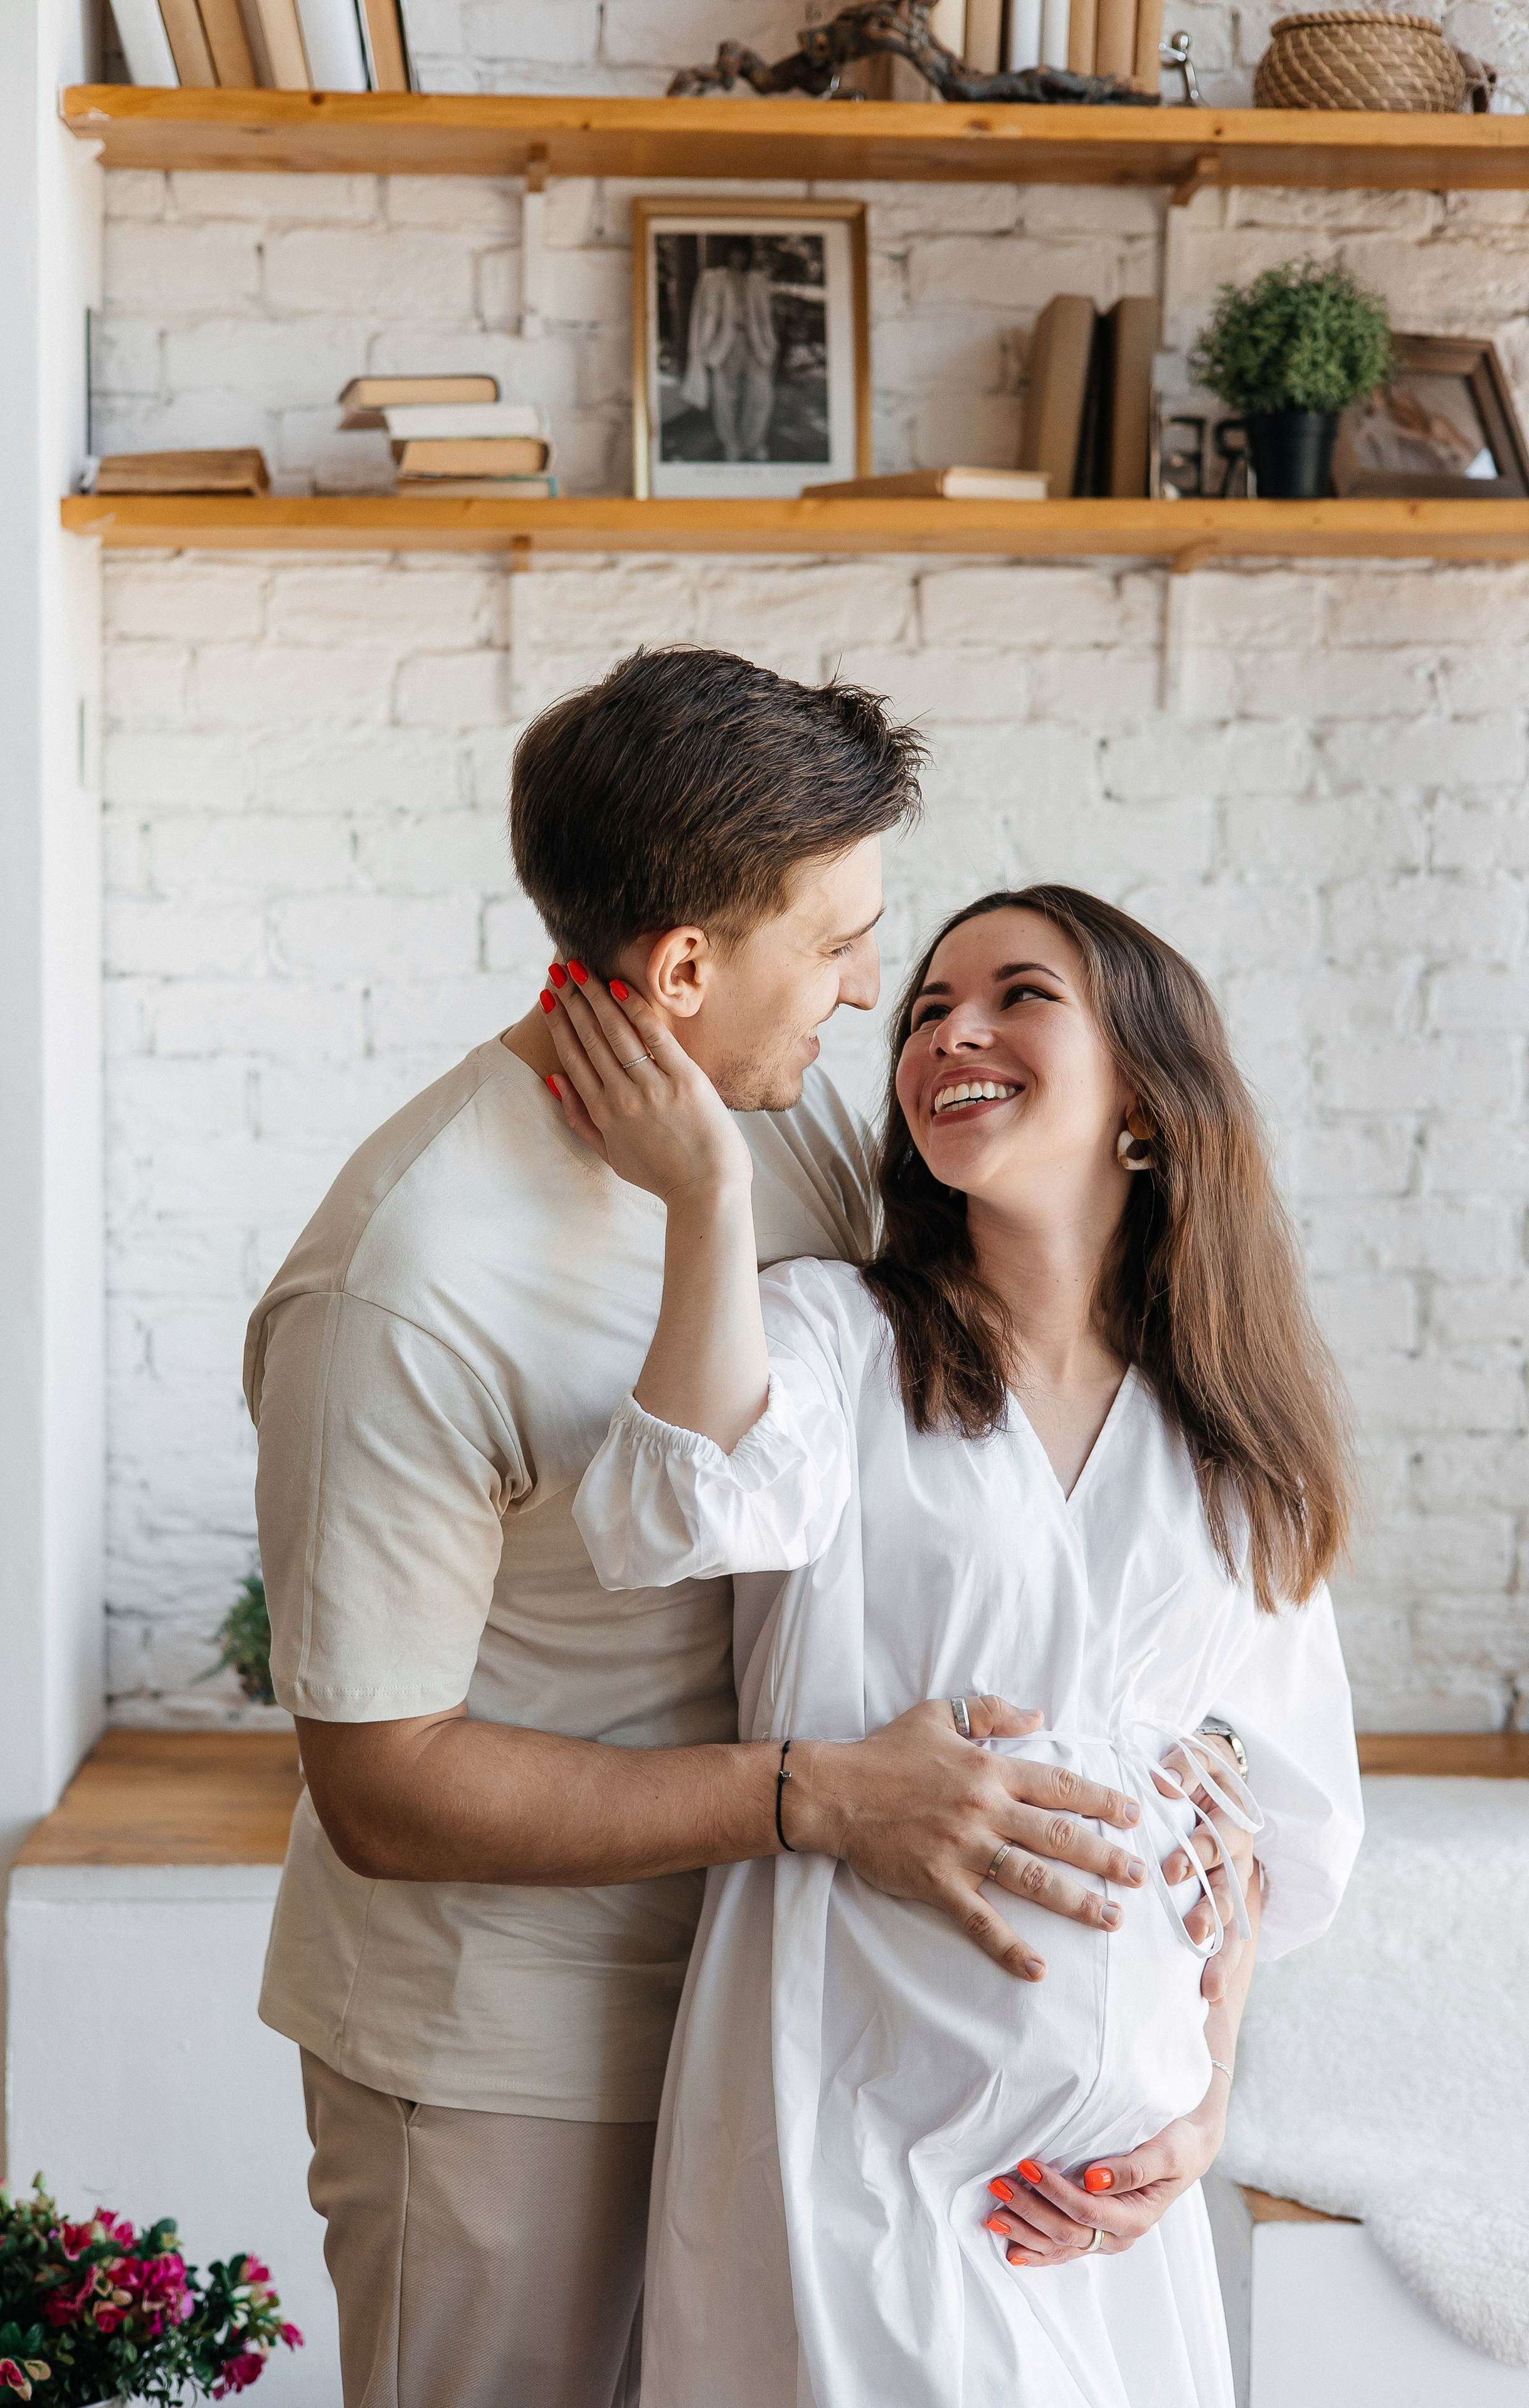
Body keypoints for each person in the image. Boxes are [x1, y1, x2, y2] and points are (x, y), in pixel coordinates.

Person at [243, 658, 1227, 2408]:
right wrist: (816, 1798)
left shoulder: (795, 1124)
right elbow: (380, 1787)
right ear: (688, 968)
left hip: (795, 2010)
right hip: (511, 2053)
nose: (874, 989)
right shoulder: (406, 1288)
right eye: (841, 941)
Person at [551, 883, 1365, 2408]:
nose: (947, 1029)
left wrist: (1200, 2100)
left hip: (1102, 2205)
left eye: (1014, 994)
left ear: (1143, 1095)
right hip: (851, 2121)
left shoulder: (1232, 1440)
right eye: (924, 1006)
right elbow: (665, 1513)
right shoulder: (831, 1336)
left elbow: (1279, 1817)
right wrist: (707, 1195)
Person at [680, 236, 779, 461]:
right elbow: (703, 314)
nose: (738, 257)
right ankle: (731, 444)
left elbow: (767, 318)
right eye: (734, 252)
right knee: (725, 398)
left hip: (756, 346)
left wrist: (771, 346)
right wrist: (703, 347)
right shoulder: (713, 279)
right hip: (725, 346)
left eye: (742, 253)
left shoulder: (757, 281)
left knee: (761, 395)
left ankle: (753, 442)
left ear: (748, 256)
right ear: (728, 254)